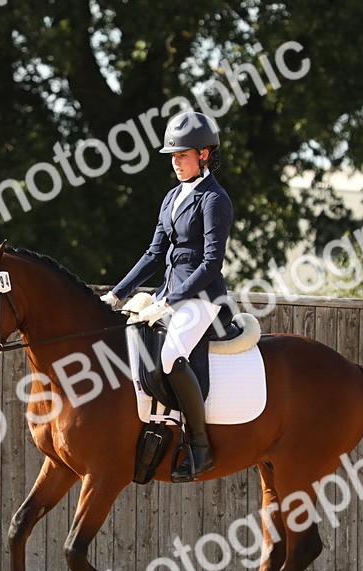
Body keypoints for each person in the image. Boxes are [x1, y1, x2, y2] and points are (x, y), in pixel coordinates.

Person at [99, 111, 234, 481]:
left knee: (172, 355)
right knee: (131, 340)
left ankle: (201, 447)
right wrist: (117, 294)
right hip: (168, 291)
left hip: (202, 296)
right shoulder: (172, 196)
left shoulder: (214, 199)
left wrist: (171, 301)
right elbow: (154, 254)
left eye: (183, 155)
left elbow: (211, 263)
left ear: (204, 154)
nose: (176, 162)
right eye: (173, 156)